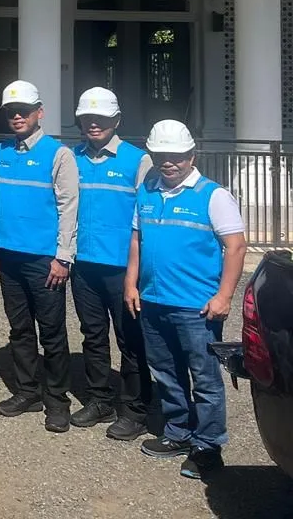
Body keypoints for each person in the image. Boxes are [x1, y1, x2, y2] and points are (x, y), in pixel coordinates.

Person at [126, 120, 247, 481]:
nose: (169, 163)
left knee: (205, 378)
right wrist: (131, 284)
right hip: (154, 301)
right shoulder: (147, 190)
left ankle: (208, 446)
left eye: (176, 156)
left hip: (197, 307)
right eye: (161, 156)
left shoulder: (213, 195)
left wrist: (224, 296)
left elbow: (236, 246)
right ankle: (179, 432)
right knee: (166, 372)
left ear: (191, 156)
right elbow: (136, 240)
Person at [0, 80, 79, 433]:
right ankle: (28, 391)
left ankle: (57, 399)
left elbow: (69, 206)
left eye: (24, 111)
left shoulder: (58, 154)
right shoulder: (0, 152)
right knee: (20, 329)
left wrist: (63, 257)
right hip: (9, 257)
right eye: (11, 112)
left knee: (53, 332)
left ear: (39, 112)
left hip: (45, 261)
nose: (17, 117)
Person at [71, 87, 156, 440]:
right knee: (92, 336)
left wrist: (138, 274)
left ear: (116, 121)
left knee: (130, 340)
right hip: (83, 265)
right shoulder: (70, 158)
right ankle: (100, 399)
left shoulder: (138, 161)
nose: (94, 124)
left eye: (102, 119)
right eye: (88, 118)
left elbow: (147, 220)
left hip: (122, 268)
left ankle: (135, 409)